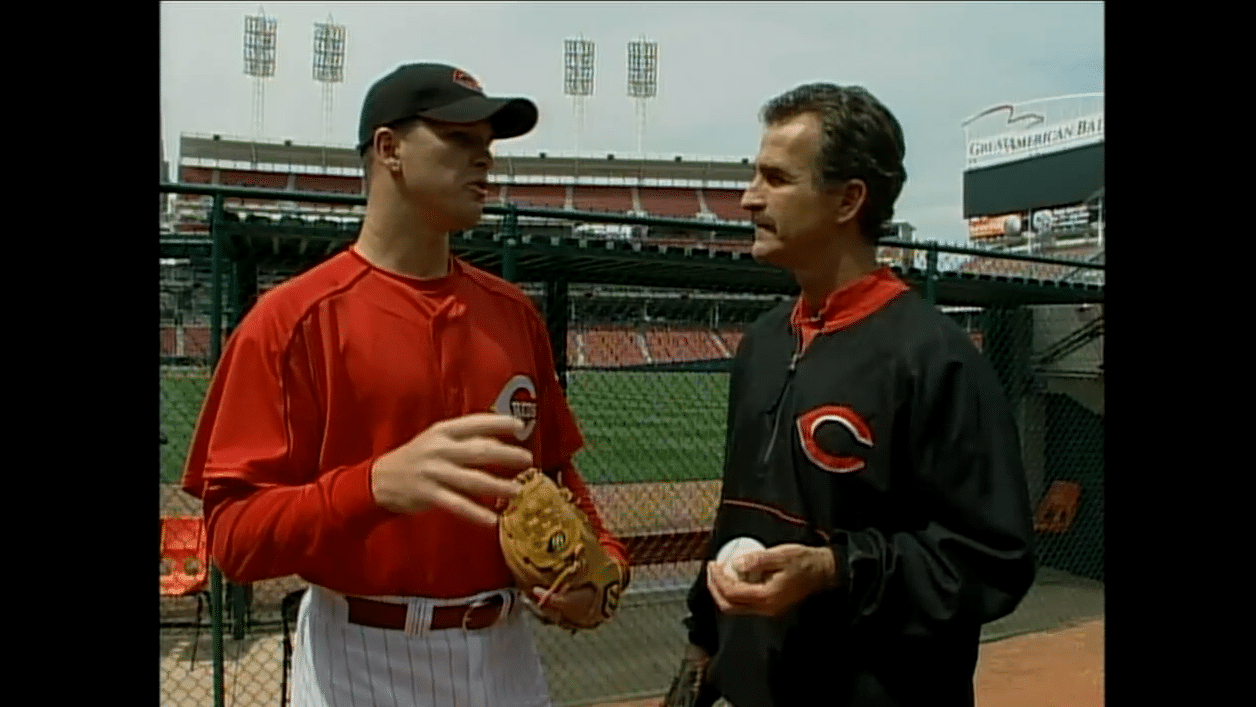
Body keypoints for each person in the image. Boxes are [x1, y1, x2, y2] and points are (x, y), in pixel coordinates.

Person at [179, 63, 630, 707]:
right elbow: (233, 540)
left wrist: (605, 568)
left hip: (506, 655)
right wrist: (375, 486)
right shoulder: (291, 321)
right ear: (389, 150)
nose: (485, 163)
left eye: (489, 148)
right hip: (362, 656)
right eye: (460, 141)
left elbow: (554, 476)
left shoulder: (512, 315)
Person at [671, 84, 1037, 707]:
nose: (747, 198)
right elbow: (740, 517)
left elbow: (994, 559)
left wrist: (834, 569)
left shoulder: (935, 357)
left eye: (776, 178)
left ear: (847, 199)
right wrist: (704, 644)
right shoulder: (762, 344)